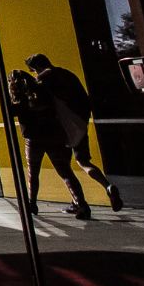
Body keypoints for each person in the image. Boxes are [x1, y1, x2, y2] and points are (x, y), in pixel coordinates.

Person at [25, 54, 124, 212]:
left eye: (33, 70)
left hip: (62, 129)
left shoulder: (44, 79)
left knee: (65, 170)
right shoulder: (67, 75)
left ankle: (78, 203)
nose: (34, 73)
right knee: (83, 161)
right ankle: (107, 186)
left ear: (37, 67)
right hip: (80, 125)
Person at [8, 69, 89, 219]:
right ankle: (82, 204)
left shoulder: (20, 100)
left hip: (33, 140)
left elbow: (10, 112)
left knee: (33, 174)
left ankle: (32, 204)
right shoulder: (43, 94)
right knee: (65, 172)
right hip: (53, 137)